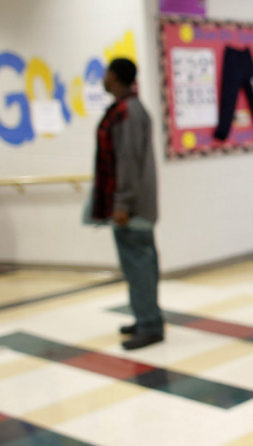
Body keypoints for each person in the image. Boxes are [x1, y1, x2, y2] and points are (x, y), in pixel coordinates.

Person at [90, 58, 164, 350]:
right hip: (127, 203)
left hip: (133, 207)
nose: (104, 79)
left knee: (140, 266)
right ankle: (144, 316)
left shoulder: (128, 111)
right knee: (135, 266)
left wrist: (122, 201)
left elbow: (129, 160)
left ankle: (150, 324)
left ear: (115, 77)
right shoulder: (124, 109)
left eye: (107, 74)